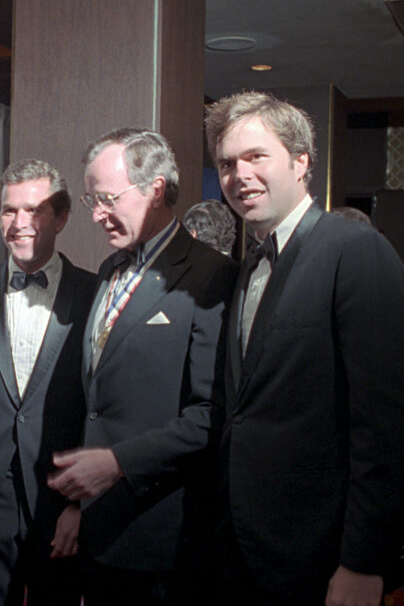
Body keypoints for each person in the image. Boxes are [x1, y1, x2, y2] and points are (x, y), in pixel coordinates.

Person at [205, 91, 404, 605]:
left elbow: (391, 425)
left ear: (301, 161)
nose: (239, 175)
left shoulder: (355, 251)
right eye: (226, 164)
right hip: (244, 544)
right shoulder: (249, 267)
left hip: (320, 549)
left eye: (256, 157)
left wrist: (364, 561)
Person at [47, 128, 237, 604]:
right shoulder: (111, 269)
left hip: (163, 532)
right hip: (99, 524)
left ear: (155, 188)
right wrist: (77, 502)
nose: (96, 215)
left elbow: (211, 415)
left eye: (108, 198)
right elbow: (96, 402)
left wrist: (116, 465)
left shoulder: (211, 275)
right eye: (92, 200)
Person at [0, 159, 95, 606]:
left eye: (35, 210)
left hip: (61, 499)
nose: (20, 224)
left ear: (61, 218)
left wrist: (80, 504)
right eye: (8, 210)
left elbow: (103, 406)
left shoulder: (98, 295)